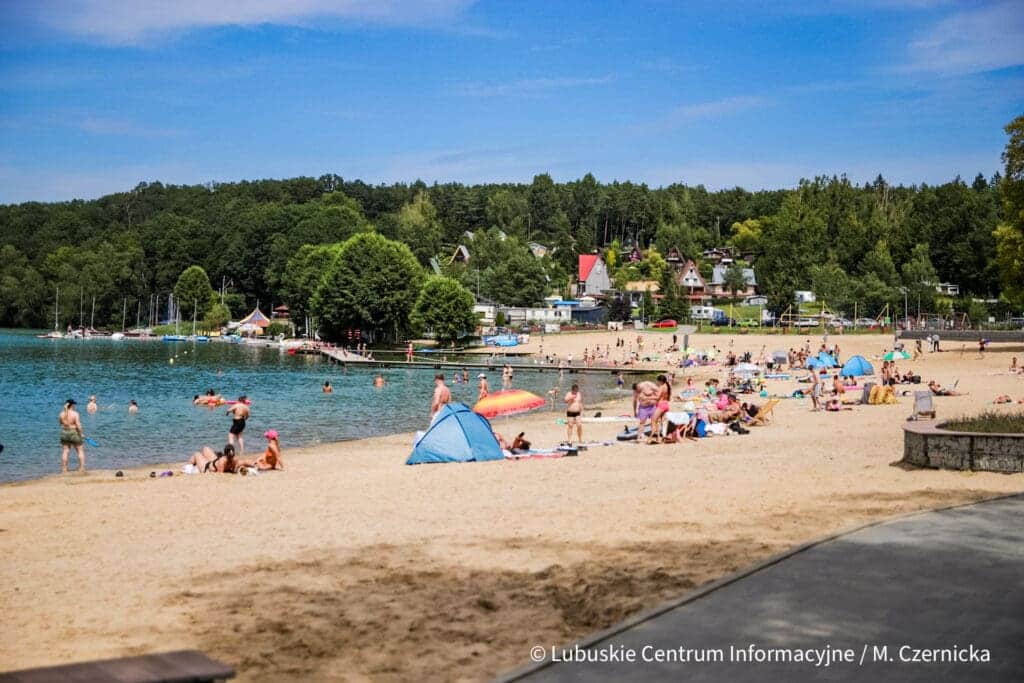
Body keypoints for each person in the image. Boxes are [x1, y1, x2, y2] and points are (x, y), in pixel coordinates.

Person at [59, 399, 86, 473]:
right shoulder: (75, 413)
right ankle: (81, 468)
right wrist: (81, 433)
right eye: (74, 405)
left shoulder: (61, 414)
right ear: (72, 405)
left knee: (65, 451)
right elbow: (78, 425)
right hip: (74, 432)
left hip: (64, 432)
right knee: (80, 450)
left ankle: (64, 469)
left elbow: (60, 423)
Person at [649, 374, 672, 444]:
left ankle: (654, 435)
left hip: (661, 405)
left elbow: (658, 397)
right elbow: (668, 397)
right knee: (661, 422)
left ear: (660, 381)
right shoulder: (667, 386)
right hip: (666, 404)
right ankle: (660, 437)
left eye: (658, 381)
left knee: (653, 420)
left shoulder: (661, 387)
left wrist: (649, 397)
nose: (657, 383)